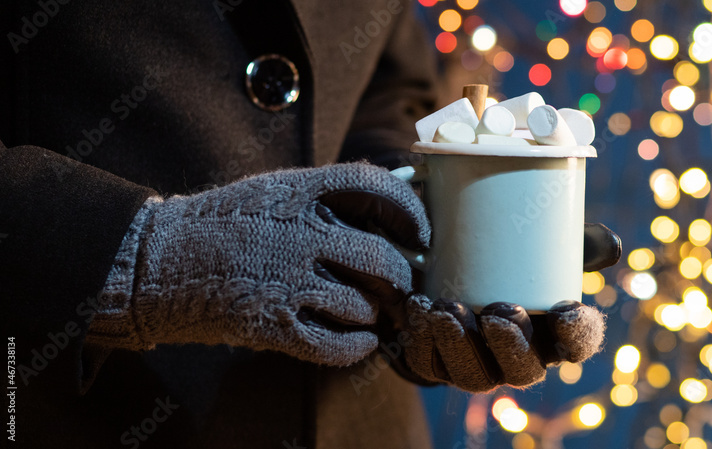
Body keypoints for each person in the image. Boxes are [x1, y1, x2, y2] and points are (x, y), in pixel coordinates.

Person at [0, 1, 620, 447]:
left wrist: (417, 233)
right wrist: (142, 257)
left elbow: (389, 81)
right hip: (74, 407)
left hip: (360, 424)